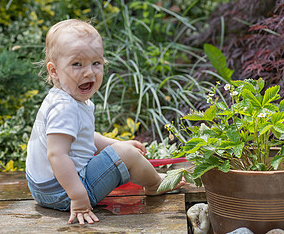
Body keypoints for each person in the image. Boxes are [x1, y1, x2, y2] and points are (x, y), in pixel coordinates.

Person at [25, 19, 184, 225]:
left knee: (123, 151)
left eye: (96, 63)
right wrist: (78, 198)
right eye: (77, 64)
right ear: (54, 71)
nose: (89, 72)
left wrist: (114, 144)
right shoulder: (64, 108)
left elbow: (83, 136)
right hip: (64, 193)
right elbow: (56, 155)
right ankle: (154, 184)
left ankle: (142, 171)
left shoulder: (68, 98)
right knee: (127, 156)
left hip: (46, 188)